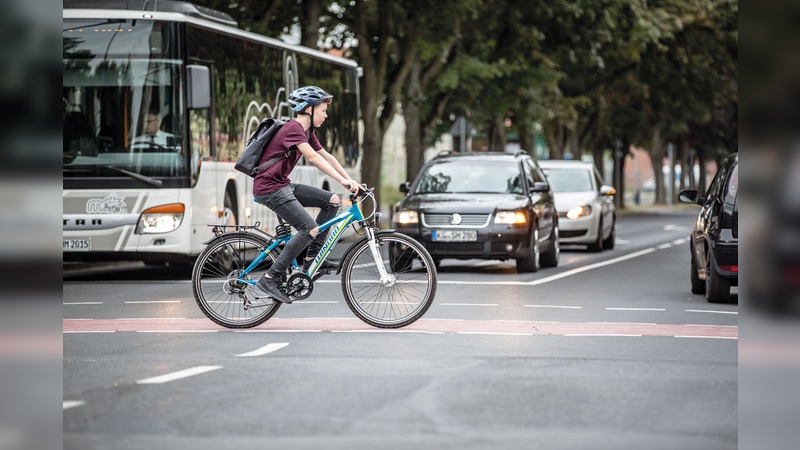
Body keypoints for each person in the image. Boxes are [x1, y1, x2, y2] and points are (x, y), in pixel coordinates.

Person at [255, 86, 361, 303]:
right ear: (310, 109)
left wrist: (349, 179)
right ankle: (269, 278)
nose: (326, 114)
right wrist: (342, 181)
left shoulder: (307, 132)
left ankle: (312, 258)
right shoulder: (293, 129)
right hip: (270, 188)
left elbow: (327, 156)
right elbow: (312, 157)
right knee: (309, 228)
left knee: (331, 201)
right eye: (323, 110)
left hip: (283, 185)